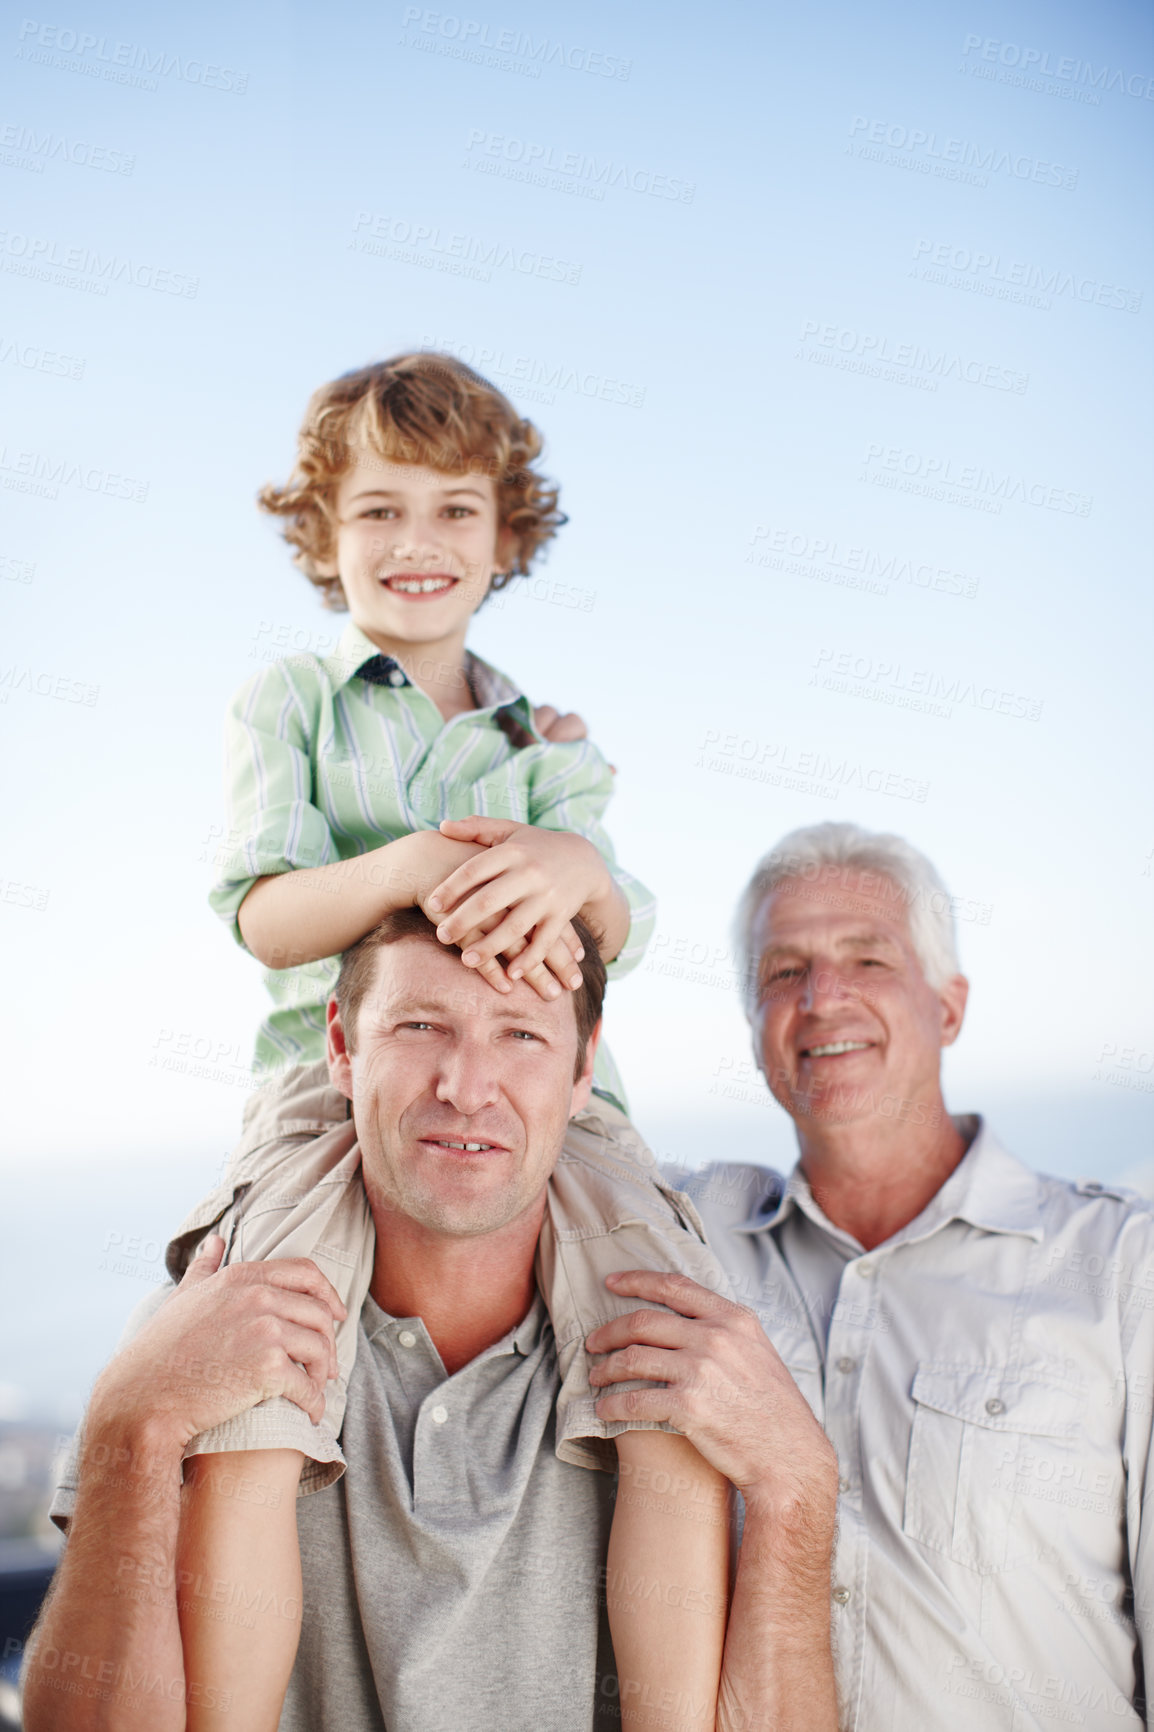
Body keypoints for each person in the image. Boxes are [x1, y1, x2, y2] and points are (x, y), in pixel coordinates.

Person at [149, 351, 744, 1711]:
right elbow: (262, 917)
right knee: (259, 1370)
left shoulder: (546, 743)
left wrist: (567, 864)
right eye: (377, 511)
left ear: (504, 535)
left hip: (559, 1111)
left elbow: (618, 925)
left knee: (659, 1359)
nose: (416, 544)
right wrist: (408, 864)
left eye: (454, 511)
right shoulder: (289, 702)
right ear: (323, 535)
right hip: (329, 1088)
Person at [25, 911, 840, 1731]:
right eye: (420, 1025)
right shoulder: (205, 1335)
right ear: (342, 1049)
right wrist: (130, 1427)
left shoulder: (697, 1359)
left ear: (583, 1068)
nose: (466, 1086)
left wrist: (801, 1487)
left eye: (520, 1034)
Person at [675, 821, 1154, 1730]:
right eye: (784, 972)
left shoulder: (1121, 1268)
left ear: (950, 1007)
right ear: (753, 1026)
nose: (822, 997)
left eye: (868, 961)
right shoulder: (693, 1242)